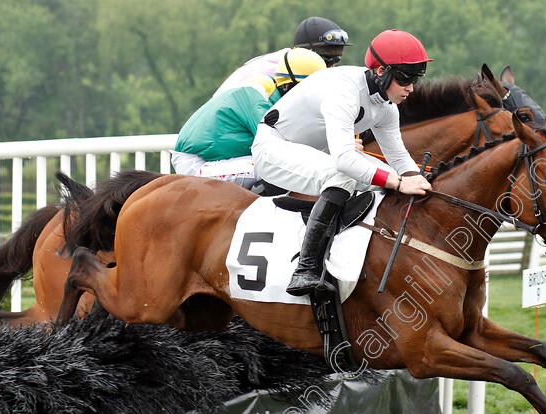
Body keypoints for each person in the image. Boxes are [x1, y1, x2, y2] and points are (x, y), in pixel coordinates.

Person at [251, 29, 433, 296]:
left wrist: (417, 180)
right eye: (405, 78)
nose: (411, 88)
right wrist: (398, 181)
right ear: (381, 71)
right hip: (273, 148)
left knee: (384, 178)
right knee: (344, 177)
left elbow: (398, 157)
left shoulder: (386, 106)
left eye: (416, 78)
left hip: (313, 154)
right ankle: (305, 269)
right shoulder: (345, 91)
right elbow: (344, 159)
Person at [171, 48, 327, 188]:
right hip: (196, 164)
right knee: (277, 167)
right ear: (286, 85)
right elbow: (280, 148)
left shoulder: (274, 90)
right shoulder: (259, 97)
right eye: (304, 91)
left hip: (217, 159)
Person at [214, 17, 349, 96]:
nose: (332, 66)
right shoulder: (278, 70)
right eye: (326, 59)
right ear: (306, 51)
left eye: (336, 58)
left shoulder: (291, 62)